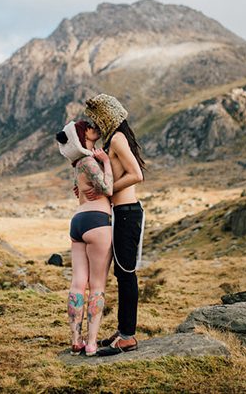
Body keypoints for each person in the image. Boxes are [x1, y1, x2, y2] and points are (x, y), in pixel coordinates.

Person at [83, 94, 146, 356]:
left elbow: (136, 175)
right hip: (121, 213)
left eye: (96, 120)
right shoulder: (114, 141)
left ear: (106, 118)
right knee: (122, 273)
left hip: (127, 213)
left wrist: (106, 190)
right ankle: (123, 332)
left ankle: (128, 337)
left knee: (126, 273)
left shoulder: (118, 139)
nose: (94, 125)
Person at [56, 119, 114, 357]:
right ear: (82, 135)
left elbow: (78, 191)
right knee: (97, 286)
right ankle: (91, 343)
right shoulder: (90, 162)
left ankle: (75, 341)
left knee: (78, 283)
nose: (94, 128)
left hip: (78, 222)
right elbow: (108, 189)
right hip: (97, 221)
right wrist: (106, 163)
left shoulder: (78, 165)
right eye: (88, 127)